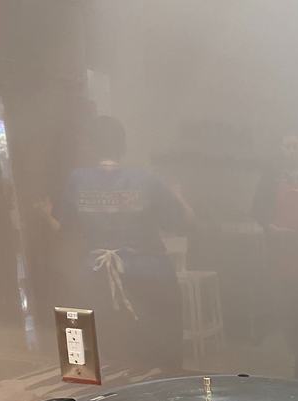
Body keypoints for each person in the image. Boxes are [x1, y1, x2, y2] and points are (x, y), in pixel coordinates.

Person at [40, 115, 193, 375]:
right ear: (122, 146)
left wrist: (44, 213)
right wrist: (179, 196)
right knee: (161, 355)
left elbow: (63, 228)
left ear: (90, 145)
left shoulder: (78, 179)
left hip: (97, 278)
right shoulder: (146, 179)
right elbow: (182, 223)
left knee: (109, 359)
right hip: (150, 277)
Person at [252, 134, 298, 367]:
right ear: (281, 150)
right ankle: (290, 347)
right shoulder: (270, 179)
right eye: (287, 146)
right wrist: (271, 227)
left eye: (296, 146)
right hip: (282, 249)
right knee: (287, 300)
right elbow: (257, 210)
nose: (292, 151)